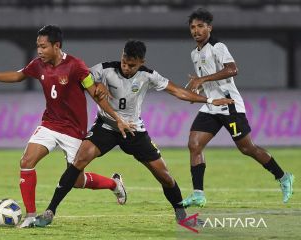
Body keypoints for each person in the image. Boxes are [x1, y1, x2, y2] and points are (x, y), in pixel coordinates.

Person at [32, 40, 234, 227]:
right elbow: (83, 81)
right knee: (79, 161)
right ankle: (50, 212)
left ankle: (182, 217)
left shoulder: (148, 75)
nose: (127, 68)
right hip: (107, 126)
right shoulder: (105, 69)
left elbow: (177, 91)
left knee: (164, 175)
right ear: (121, 56)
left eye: (132, 65)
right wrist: (97, 84)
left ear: (141, 62)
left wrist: (209, 101)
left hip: (134, 130)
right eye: (124, 62)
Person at [0, 25, 134, 228]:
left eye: (43, 47)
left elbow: (97, 96)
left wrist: (117, 117)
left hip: (74, 130)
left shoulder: (76, 66)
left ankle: (114, 184)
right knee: (27, 161)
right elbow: (18, 76)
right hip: (50, 124)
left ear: (57, 46)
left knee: (76, 181)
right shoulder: (38, 64)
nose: (39, 51)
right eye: (38, 46)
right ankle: (30, 215)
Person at [181, 8, 294, 208]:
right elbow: (205, 81)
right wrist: (199, 89)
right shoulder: (193, 54)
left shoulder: (218, 46)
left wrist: (203, 79)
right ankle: (198, 193)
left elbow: (233, 69)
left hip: (230, 106)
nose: (196, 30)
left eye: (200, 26)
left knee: (246, 148)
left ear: (209, 28)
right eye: (192, 27)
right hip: (212, 107)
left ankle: (284, 177)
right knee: (194, 144)